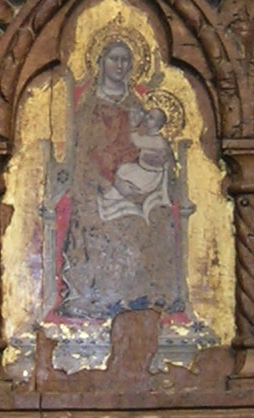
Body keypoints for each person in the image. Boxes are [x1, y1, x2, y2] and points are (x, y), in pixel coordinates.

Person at [51, 38, 187, 322]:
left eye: (126, 60)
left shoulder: (135, 105)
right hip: (97, 184)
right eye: (114, 58)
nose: (120, 65)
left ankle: (148, 296)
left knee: (159, 215)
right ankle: (102, 298)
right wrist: (113, 182)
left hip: (137, 182)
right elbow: (86, 154)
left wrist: (160, 161)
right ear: (100, 63)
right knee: (116, 222)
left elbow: (146, 143)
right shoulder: (90, 108)